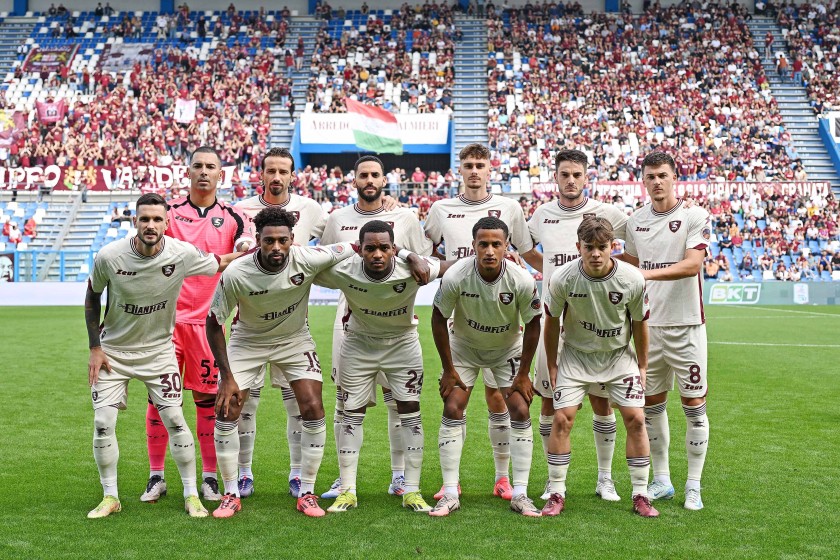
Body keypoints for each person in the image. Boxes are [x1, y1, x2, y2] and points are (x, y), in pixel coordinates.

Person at [84, 193, 238, 519]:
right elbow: (92, 297)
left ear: (167, 223)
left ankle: (191, 494)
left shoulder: (181, 254)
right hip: (115, 352)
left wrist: (256, 251)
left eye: (157, 219)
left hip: (159, 352)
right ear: (134, 222)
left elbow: (219, 262)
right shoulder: (110, 257)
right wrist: (95, 347)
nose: (150, 225)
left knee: (176, 420)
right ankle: (110, 496)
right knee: (102, 422)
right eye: (144, 219)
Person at [206, 207, 357, 519]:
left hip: (294, 339)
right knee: (228, 407)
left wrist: (408, 254)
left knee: (313, 405)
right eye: (269, 240)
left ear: (293, 240)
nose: (277, 247)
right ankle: (231, 492)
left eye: (283, 240)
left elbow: (354, 246)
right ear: (258, 240)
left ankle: (307, 492)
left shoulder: (307, 257)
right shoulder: (237, 273)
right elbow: (212, 323)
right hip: (248, 341)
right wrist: (227, 376)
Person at [423, 143, 542, 502]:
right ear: (460, 169)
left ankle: (505, 479)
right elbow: (426, 250)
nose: (474, 170)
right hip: (464, 315)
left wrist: (563, 273)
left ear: (491, 169)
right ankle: (450, 485)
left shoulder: (510, 207)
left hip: (504, 320)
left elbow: (529, 252)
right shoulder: (441, 209)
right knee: (457, 401)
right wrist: (441, 270)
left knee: (501, 401)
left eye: (481, 165)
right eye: (468, 165)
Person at [142, 147, 253, 505]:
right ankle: (156, 476)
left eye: (211, 167)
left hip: (210, 324)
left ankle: (208, 478)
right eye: (197, 166)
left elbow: (247, 245)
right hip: (166, 323)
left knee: (208, 401)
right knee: (159, 399)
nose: (203, 172)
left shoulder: (233, 216)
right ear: (187, 172)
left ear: (222, 174)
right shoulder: (169, 215)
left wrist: (245, 245)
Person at [315, 220, 449, 514]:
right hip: (358, 346)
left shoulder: (414, 270)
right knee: (350, 415)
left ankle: (411, 490)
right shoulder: (343, 271)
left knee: (410, 414)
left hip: (403, 345)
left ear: (393, 249)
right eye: (370, 248)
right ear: (359, 250)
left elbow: (453, 267)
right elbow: (307, 265)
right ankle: (347, 491)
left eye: (384, 248)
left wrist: (411, 256)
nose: (377, 254)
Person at [319, 155, 432, 500]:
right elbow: (323, 258)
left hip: (396, 318)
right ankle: (344, 479)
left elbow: (423, 259)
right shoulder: (338, 218)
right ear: (354, 181)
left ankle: (399, 476)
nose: (369, 180)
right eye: (363, 175)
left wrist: (411, 255)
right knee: (346, 403)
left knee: (398, 401)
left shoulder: (405, 217)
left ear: (385, 180)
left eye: (375, 175)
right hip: (350, 318)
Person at [528, 149, 630, 501]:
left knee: (603, 403)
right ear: (555, 178)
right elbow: (525, 249)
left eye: (577, 174)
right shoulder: (542, 215)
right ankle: (553, 480)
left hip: (598, 324)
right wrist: (553, 272)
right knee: (547, 400)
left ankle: (605, 479)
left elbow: (631, 252)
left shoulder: (609, 214)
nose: (570, 180)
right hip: (554, 321)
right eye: (564, 174)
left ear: (587, 178)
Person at [541, 216, 657, 518]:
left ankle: (641, 494)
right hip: (576, 356)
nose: (595, 253)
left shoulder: (632, 279)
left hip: (618, 357)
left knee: (636, 419)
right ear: (578, 246)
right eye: (589, 247)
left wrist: (642, 365)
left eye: (602, 247)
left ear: (612, 247)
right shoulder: (563, 278)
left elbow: (640, 324)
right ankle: (556, 491)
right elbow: (551, 322)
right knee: (563, 419)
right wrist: (553, 364)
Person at [234, 147, 328, 498]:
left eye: (282, 171)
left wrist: (391, 206)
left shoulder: (312, 210)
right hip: (250, 324)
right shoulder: (241, 210)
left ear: (292, 175)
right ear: (261, 174)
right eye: (270, 170)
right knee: (247, 404)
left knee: (297, 402)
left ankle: (296, 474)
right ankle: (244, 473)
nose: (276, 177)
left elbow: (339, 237)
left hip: (292, 327)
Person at [623, 152, 711, 511]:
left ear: (675, 178)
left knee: (693, 405)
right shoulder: (635, 222)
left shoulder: (694, 215)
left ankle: (694, 485)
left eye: (663, 175)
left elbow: (692, 265)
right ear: (643, 181)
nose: (657, 182)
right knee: (651, 406)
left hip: (687, 325)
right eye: (651, 176)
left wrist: (647, 274)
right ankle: (662, 480)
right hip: (648, 328)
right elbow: (628, 268)